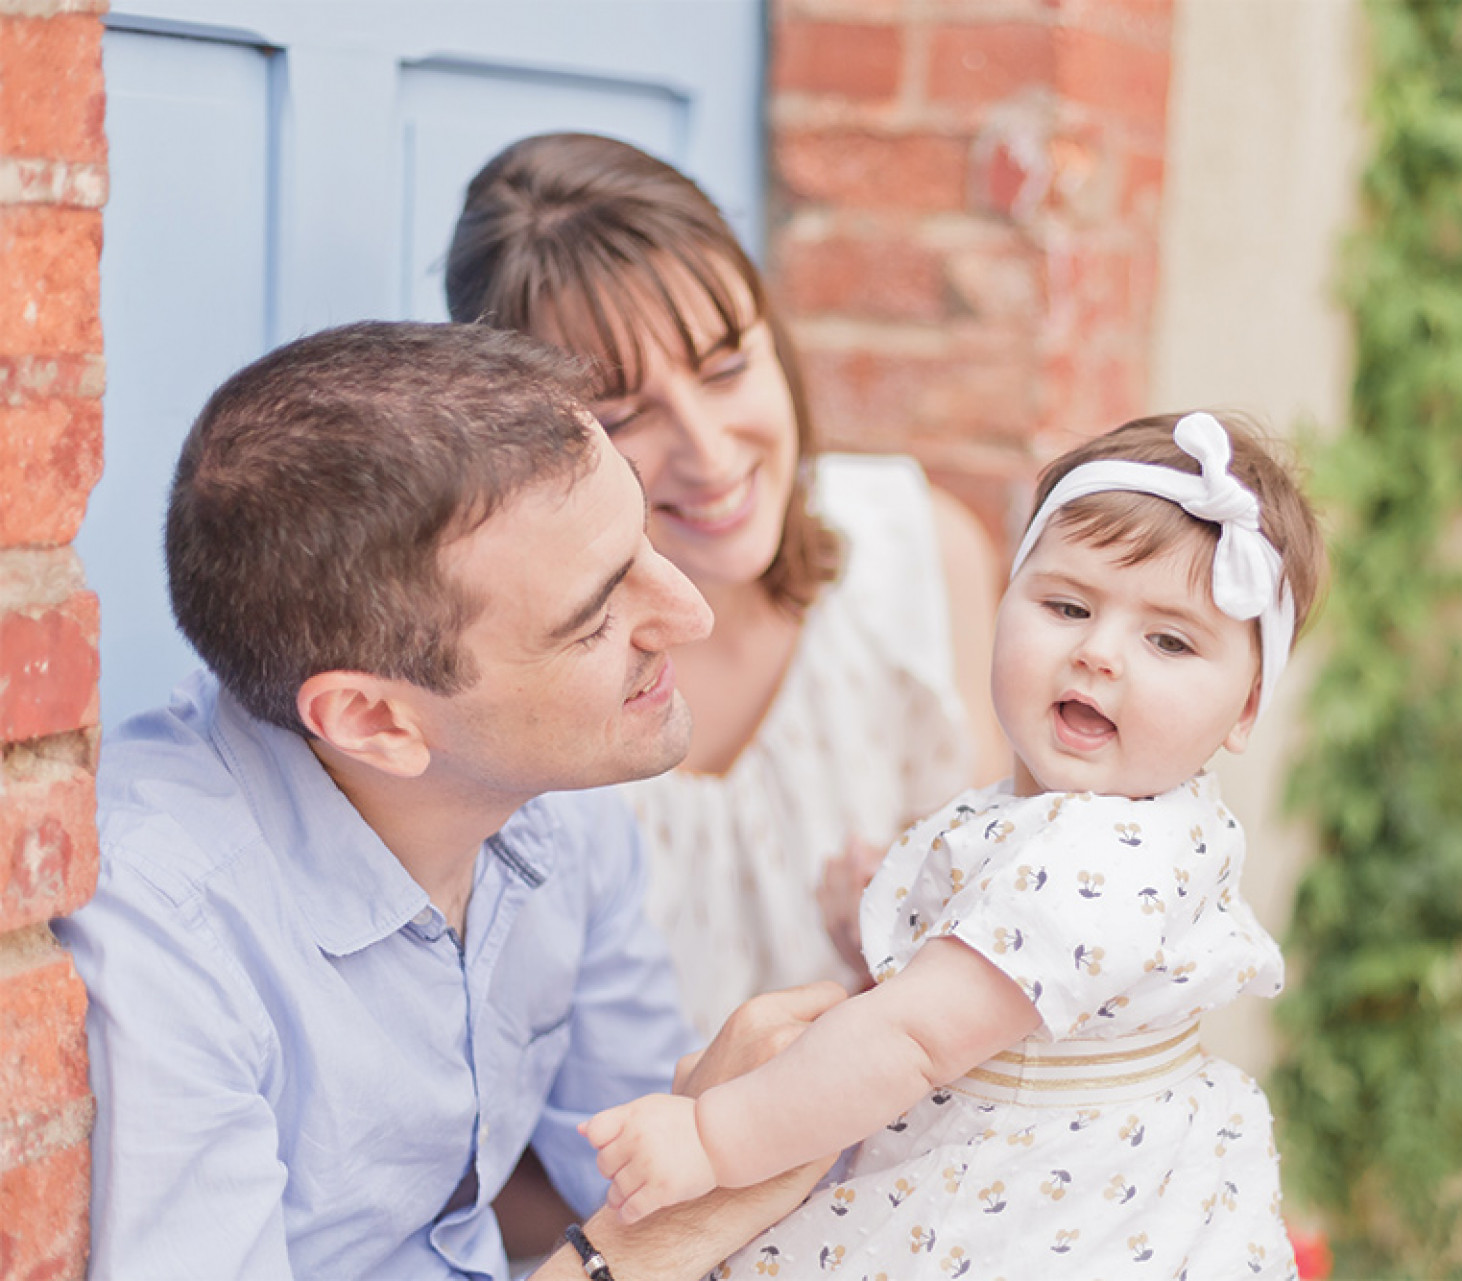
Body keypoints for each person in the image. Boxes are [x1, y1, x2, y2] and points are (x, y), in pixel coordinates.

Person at [51, 321, 842, 1280]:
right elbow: (657, 1227)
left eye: (641, 538)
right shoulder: (161, 934)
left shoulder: (555, 798)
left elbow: (644, 1159)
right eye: (596, 615)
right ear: (374, 720)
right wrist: (647, 1239)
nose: (688, 612)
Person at [583, 410, 1326, 1278]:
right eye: (1066, 604)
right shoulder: (1124, 819)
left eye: (1168, 639)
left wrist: (713, 1136)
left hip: (1026, 1212)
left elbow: (914, 1039)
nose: (1099, 653)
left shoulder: (1097, 853)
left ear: (1246, 706)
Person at [444, 133, 1003, 1038]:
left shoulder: (922, 557)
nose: (709, 453)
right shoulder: (508, 687)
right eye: (623, 414)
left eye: (728, 367)